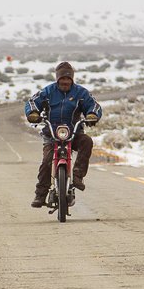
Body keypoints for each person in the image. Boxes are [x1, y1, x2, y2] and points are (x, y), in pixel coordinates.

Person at [24, 61, 103, 208]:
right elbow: (32, 102)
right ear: (57, 79)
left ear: (72, 79)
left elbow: (94, 105)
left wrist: (92, 114)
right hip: (52, 134)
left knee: (87, 141)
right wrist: (33, 113)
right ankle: (40, 195)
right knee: (47, 161)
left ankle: (78, 175)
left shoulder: (81, 93)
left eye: (68, 79)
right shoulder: (47, 92)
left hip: (73, 133)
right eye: (62, 79)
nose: (65, 82)